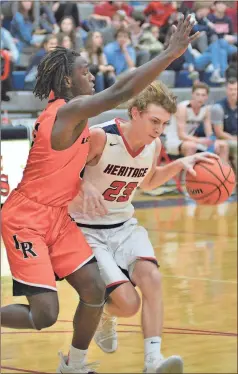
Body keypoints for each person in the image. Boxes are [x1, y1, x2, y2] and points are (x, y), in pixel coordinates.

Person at [1, 15, 200, 374]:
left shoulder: (79, 117)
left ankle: (74, 366)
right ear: (66, 80)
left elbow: (119, 91)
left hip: (59, 217)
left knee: (95, 290)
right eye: (84, 71)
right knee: (45, 314)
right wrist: (170, 53)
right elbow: (122, 92)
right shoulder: (66, 112)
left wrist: (83, 184)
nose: (91, 76)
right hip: (26, 218)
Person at [69, 81, 219, 373]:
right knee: (128, 304)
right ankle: (104, 314)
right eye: (154, 121)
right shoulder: (100, 137)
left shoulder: (155, 145)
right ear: (134, 113)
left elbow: (148, 182)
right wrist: (82, 184)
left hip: (124, 225)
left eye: (163, 124)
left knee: (152, 279)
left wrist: (181, 163)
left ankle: (154, 361)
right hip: (86, 230)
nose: (158, 129)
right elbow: (58, 174)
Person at [172, 82, 229, 161]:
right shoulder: (183, 108)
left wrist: (212, 140)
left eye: (203, 95)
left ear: (207, 97)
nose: (200, 98)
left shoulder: (206, 110)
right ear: (192, 95)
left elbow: (209, 132)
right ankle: (188, 173)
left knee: (223, 145)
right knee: (191, 146)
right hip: (175, 140)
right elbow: (181, 135)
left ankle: (222, 172)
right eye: (197, 94)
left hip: (191, 139)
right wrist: (201, 141)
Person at [211, 77, 237, 173]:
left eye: (235, 89)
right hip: (223, 140)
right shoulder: (218, 107)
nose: (233, 92)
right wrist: (234, 138)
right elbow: (219, 133)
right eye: (231, 89)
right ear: (226, 90)